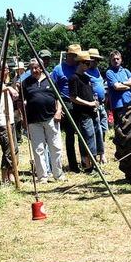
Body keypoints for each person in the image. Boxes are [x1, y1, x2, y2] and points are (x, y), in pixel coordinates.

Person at [22, 58, 65, 183]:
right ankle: (42, 176)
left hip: (51, 118)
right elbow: (20, 102)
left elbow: (58, 98)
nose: (34, 70)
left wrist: (58, 112)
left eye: (36, 67)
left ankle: (58, 174)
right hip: (33, 120)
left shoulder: (51, 80)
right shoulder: (26, 83)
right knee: (38, 149)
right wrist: (24, 118)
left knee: (55, 147)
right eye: (31, 68)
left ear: (41, 67)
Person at [51, 44, 81, 172]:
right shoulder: (58, 69)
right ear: (68, 55)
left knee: (80, 134)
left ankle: (85, 162)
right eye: (74, 55)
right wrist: (58, 106)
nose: (75, 58)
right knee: (69, 136)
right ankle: (72, 165)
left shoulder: (78, 68)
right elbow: (53, 88)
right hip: (65, 102)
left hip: (79, 102)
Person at [69, 51, 100, 172]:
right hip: (82, 114)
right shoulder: (74, 78)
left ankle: (94, 164)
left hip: (92, 112)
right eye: (87, 63)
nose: (89, 66)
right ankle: (88, 166)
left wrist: (94, 102)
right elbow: (73, 97)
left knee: (95, 138)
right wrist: (89, 103)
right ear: (80, 63)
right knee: (87, 138)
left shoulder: (87, 78)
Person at [106, 50, 131, 127]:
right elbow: (117, 87)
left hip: (129, 103)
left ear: (121, 59)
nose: (116, 61)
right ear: (110, 61)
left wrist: (122, 83)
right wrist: (129, 85)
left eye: (117, 59)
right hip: (118, 106)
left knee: (130, 126)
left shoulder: (125, 71)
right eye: (113, 59)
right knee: (119, 127)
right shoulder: (109, 72)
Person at [86, 48, 108, 164]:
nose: (95, 62)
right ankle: (100, 155)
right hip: (94, 105)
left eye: (97, 60)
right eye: (93, 59)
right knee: (97, 130)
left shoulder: (97, 70)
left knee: (104, 129)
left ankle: (102, 152)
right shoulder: (86, 72)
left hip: (102, 104)